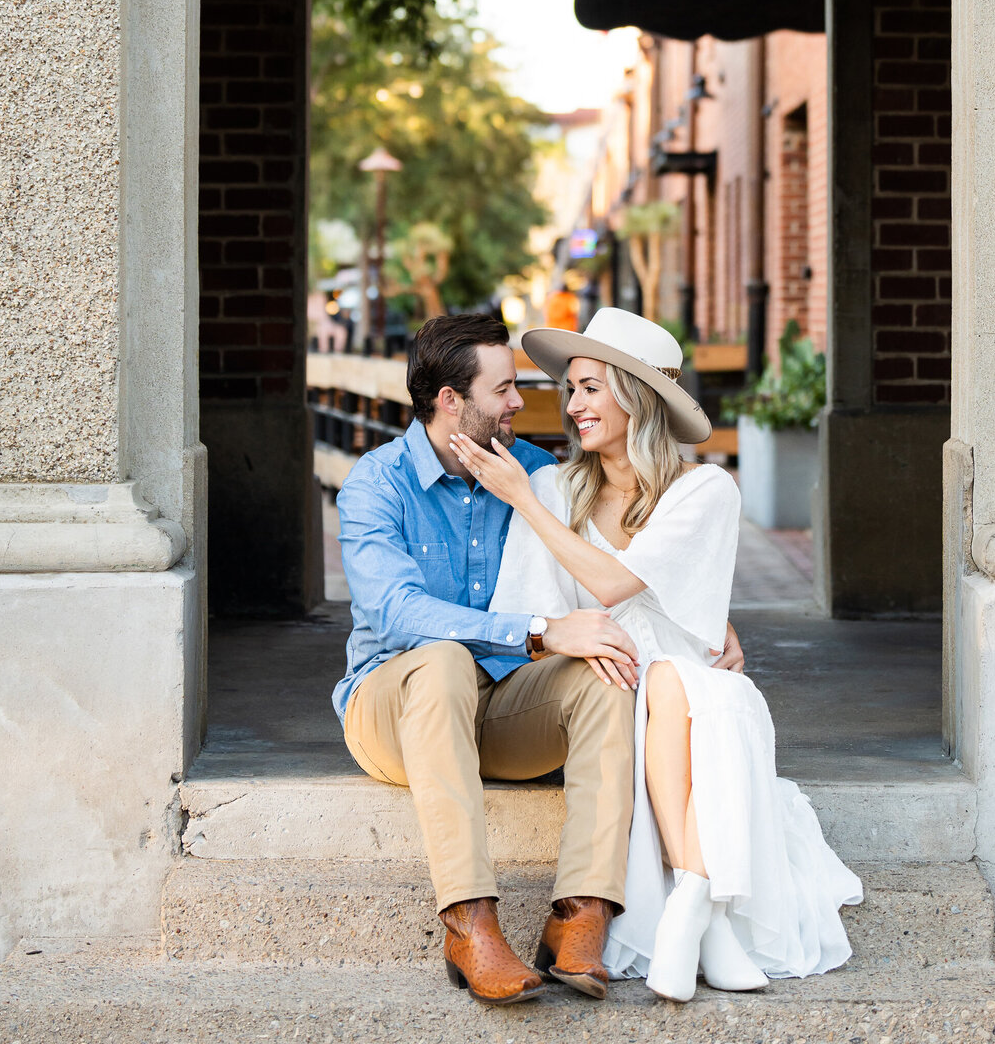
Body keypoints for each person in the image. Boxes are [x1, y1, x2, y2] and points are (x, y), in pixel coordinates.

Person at [449, 307, 864, 1004]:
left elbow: (617, 583)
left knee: (686, 684)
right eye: (571, 389)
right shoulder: (555, 490)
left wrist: (522, 498)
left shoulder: (704, 489)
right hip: (604, 694)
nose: (572, 405)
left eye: (589, 387)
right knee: (663, 684)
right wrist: (555, 601)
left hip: (694, 695)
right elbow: (525, 613)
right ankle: (706, 916)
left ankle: (691, 903)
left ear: (637, 395)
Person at [334, 312, 668, 1006]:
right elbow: (398, 613)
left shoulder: (535, 474)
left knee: (603, 672)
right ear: (452, 401)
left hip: (499, 711)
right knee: (444, 656)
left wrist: (708, 614)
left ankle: (581, 914)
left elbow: (633, 523)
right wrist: (542, 629)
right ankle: (469, 921)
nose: (522, 403)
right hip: (391, 711)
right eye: (506, 390)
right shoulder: (377, 484)